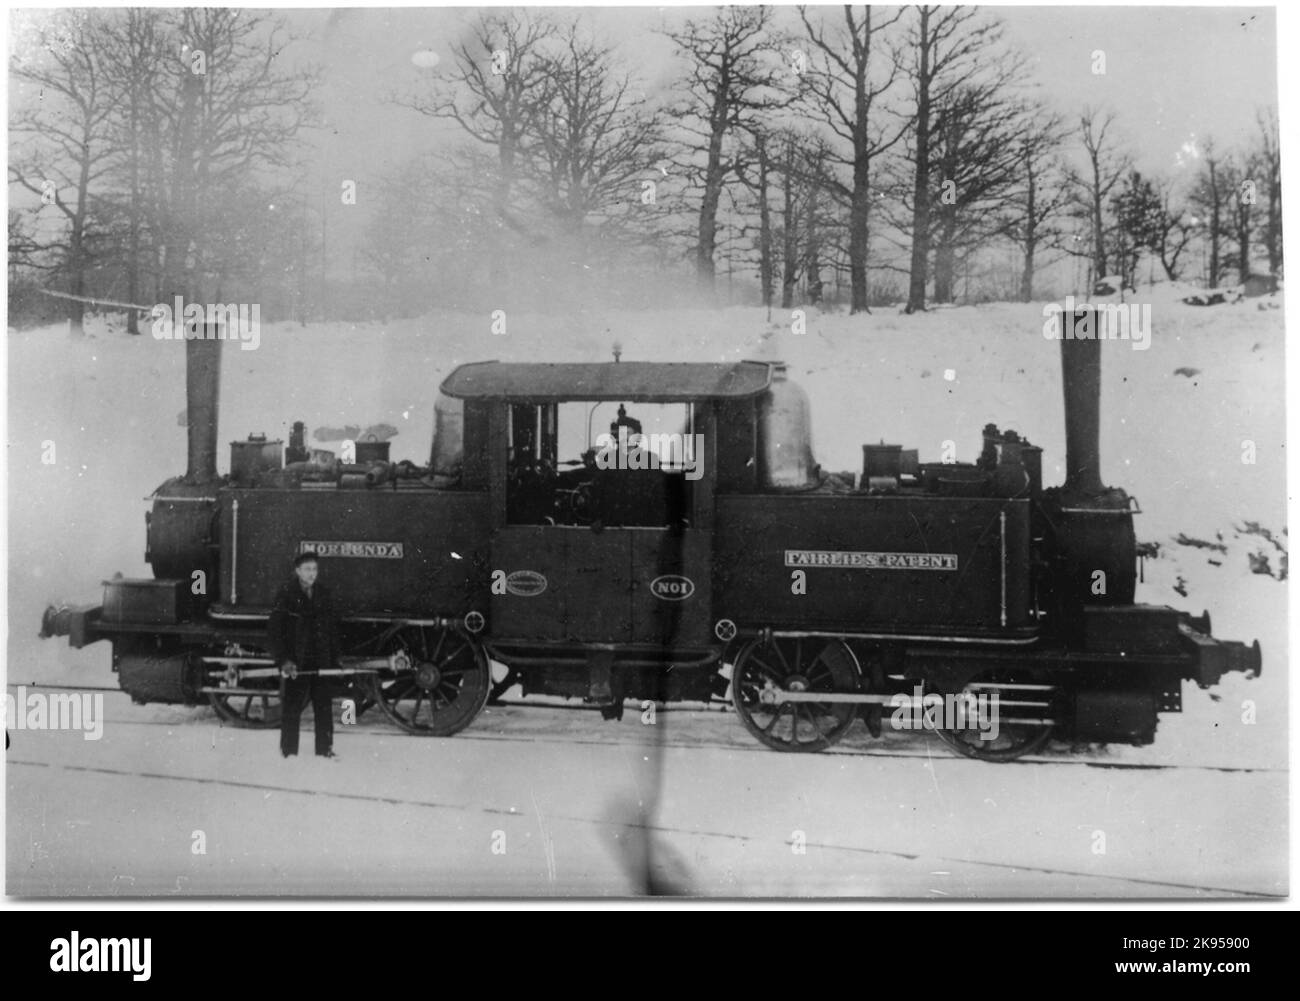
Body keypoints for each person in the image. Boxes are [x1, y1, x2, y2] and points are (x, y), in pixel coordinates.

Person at [268, 551, 342, 759]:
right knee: (292, 707)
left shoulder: (324, 593)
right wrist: (283, 660)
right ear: (298, 571)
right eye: (308, 569)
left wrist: (335, 658)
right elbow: (275, 631)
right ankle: (289, 751)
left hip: (321, 659)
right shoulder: (285, 594)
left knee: (324, 707)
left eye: (315, 569)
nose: (312, 573)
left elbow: (332, 630)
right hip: (296, 661)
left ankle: (324, 749)